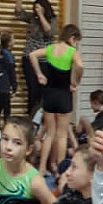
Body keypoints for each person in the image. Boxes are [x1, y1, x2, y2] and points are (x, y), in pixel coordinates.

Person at [30, 25, 84, 176]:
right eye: (76, 41)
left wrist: (39, 74)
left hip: (49, 95)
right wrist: (76, 81)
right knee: (61, 135)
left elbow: (32, 55)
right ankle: (60, 172)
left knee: (50, 134)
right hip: (64, 95)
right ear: (72, 37)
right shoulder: (72, 52)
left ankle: (42, 168)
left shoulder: (50, 49)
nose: (76, 44)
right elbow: (80, 66)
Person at [14, 0, 55, 115]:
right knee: (33, 91)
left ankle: (42, 120)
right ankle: (31, 118)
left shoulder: (52, 20)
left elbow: (49, 32)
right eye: (35, 8)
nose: (36, 10)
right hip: (29, 59)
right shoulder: (32, 18)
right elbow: (18, 13)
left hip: (45, 61)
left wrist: (41, 15)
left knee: (44, 91)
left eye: (38, 7)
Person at [0, 31, 18, 139]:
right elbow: (12, 73)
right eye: (13, 39)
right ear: (9, 43)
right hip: (5, 86)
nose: (15, 41)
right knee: (7, 110)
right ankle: (6, 132)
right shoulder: (8, 55)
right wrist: (14, 87)